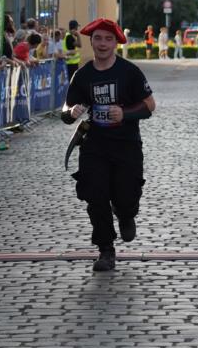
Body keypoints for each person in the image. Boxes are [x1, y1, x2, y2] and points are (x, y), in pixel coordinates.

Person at [62, 18, 155, 272]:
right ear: (91, 41)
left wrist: (125, 113)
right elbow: (66, 110)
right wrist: (72, 112)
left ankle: (126, 214)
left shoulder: (129, 72)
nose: (102, 44)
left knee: (127, 196)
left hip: (126, 145)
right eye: (98, 38)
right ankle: (105, 250)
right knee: (95, 196)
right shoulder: (83, 75)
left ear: (115, 42)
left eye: (108, 39)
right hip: (94, 146)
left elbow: (149, 106)